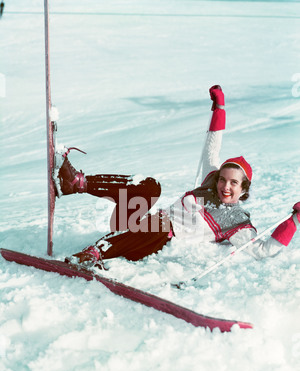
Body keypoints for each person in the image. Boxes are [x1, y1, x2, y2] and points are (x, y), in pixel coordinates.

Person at [56, 85, 300, 269]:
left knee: (161, 225)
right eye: (223, 179)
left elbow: (264, 250)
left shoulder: (236, 221)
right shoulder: (209, 183)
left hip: (152, 243)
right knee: (150, 186)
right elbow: (212, 145)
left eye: (233, 183)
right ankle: (76, 182)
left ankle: (94, 254)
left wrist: (294, 221)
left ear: (244, 189)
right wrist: (220, 108)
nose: (225, 186)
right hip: (140, 228)